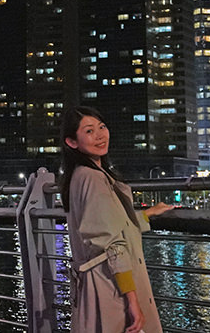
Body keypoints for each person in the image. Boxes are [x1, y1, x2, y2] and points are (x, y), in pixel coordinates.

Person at [61, 106, 173, 333]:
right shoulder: (93, 178)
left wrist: (146, 215)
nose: (101, 135)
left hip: (94, 283)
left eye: (102, 127)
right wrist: (133, 301)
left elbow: (107, 223)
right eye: (90, 131)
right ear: (72, 142)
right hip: (110, 288)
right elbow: (112, 243)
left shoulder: (78, 175)